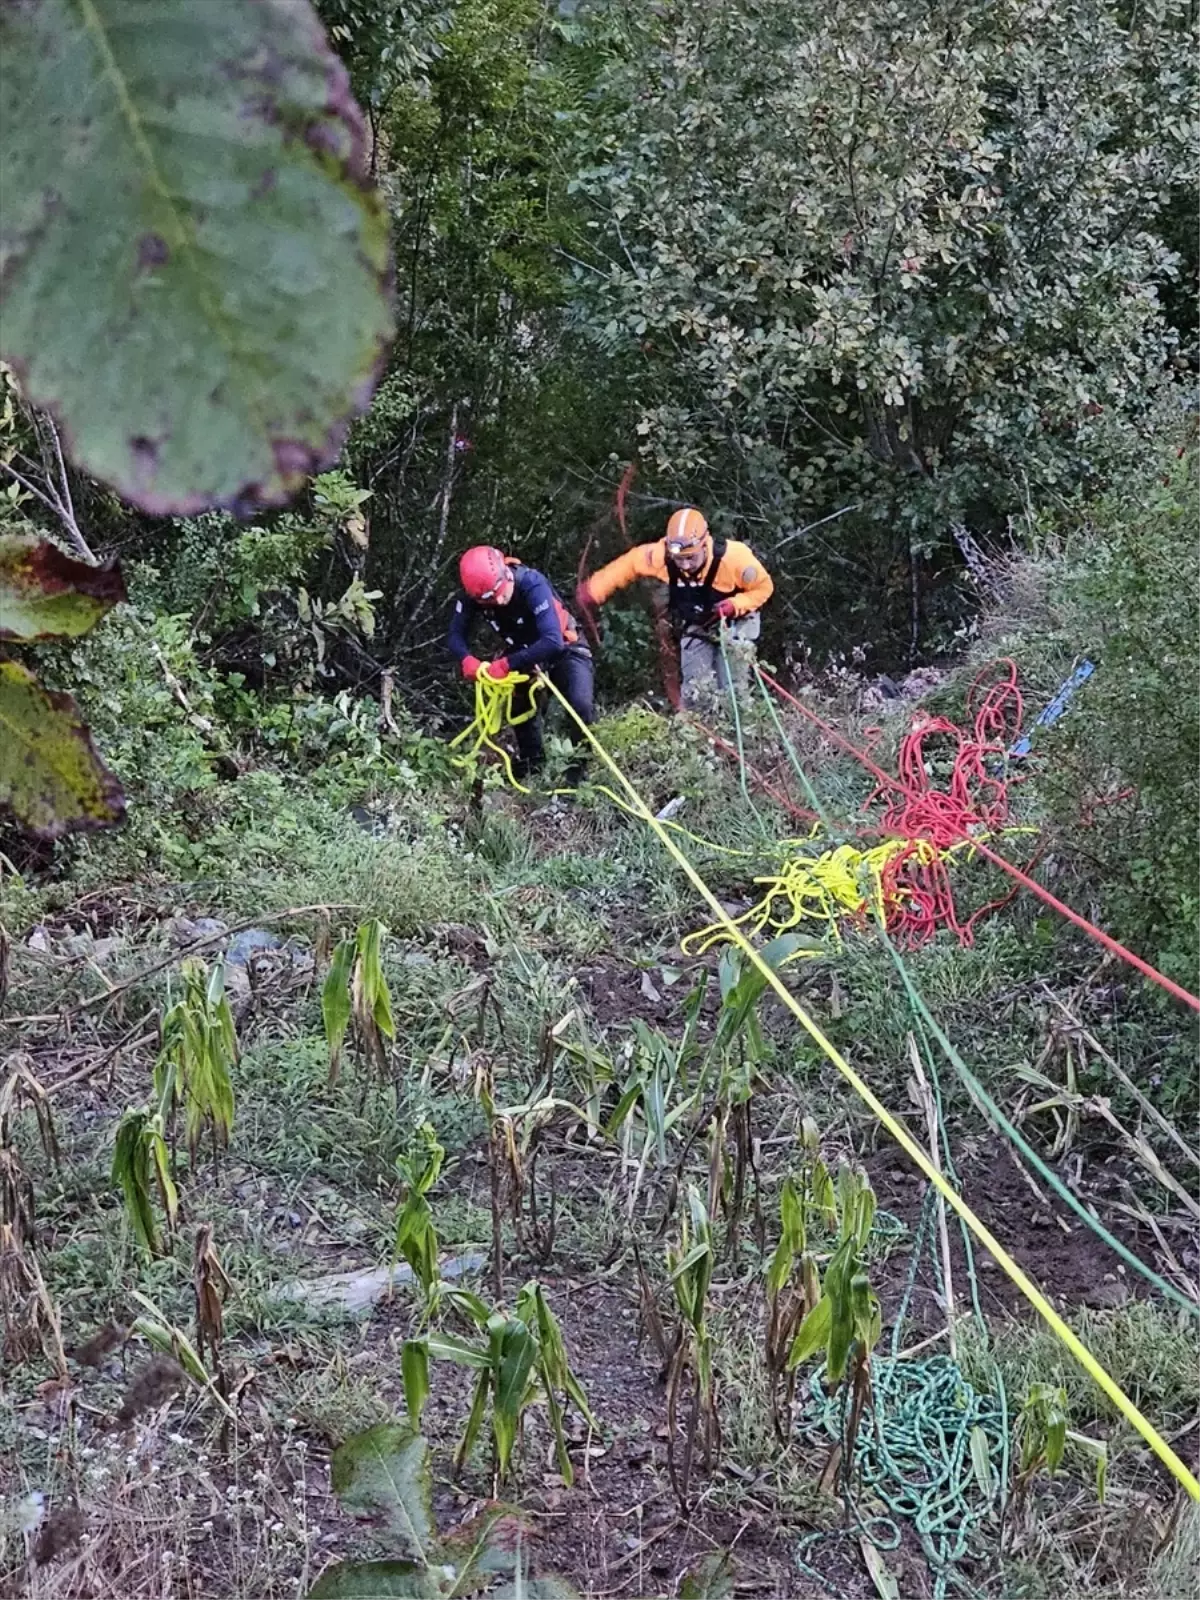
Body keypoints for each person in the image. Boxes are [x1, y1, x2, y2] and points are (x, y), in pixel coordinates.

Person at [576, 507, 773, 708]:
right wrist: (594, 589)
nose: (685, 566)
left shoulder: (734, 559)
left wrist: (735, 605)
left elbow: (764, 588)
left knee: (731, 686)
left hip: (737, 622)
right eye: (680, 559)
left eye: (691, 558)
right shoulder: (661, 557)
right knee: (695, 690)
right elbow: (630, 563)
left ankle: (738, 730)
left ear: (705, 545)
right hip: (699, 623)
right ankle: (700, 732)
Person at [448, 545, 594, 780]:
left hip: (564, 647)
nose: (500, 600)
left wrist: (505, 665)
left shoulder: (531, 583)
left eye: (501, 592)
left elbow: (552, 641)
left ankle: (579, 769)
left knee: (580, 704)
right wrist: (466, 659)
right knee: (519, 708)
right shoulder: (474, 595)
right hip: (523, 652)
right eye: (491, 600)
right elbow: (455, 635)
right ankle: (532, 763)